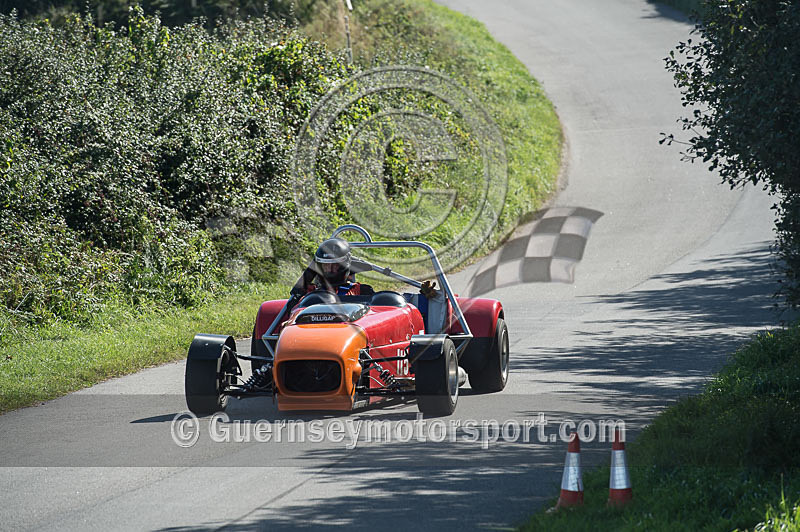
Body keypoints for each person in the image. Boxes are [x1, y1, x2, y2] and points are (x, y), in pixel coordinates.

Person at [290, 238, 374, 298]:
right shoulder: (310, 292)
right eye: (326, 266)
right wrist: (311, 270)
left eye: (335, 265)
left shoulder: (361, 291)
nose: (329, 270)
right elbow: (294, 300)